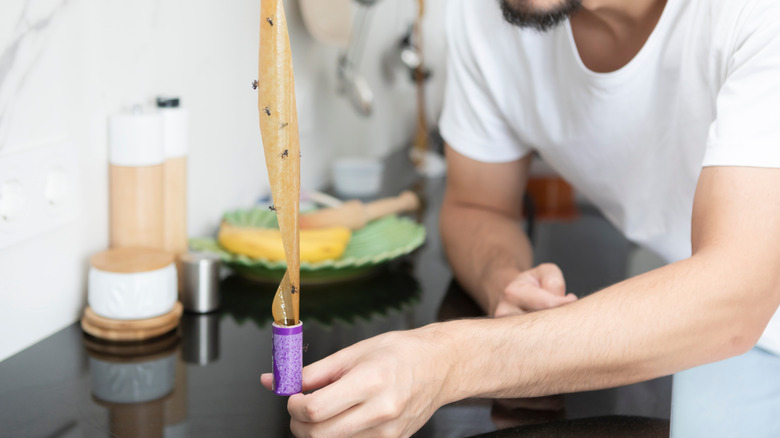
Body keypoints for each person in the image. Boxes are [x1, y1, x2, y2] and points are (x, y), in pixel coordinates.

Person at [262, 0, 780, 436]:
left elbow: (736, 294)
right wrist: (507, 286)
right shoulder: (487, 15)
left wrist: (450, 360)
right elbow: (477, 205)